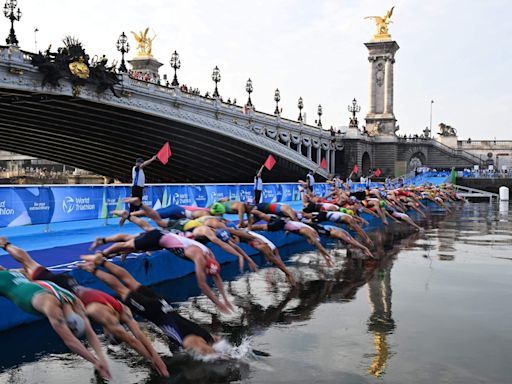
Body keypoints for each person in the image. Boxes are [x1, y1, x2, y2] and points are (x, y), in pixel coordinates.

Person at [0, 237, 169, 377]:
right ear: (111, 332)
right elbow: (132, 339)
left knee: (25, 266)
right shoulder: (97, 313)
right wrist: (152, 360)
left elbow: (137, 335)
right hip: (60, 290)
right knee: (27, 265)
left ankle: (6, 246)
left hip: (72, 285)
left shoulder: (120, 309)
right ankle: (5, 245)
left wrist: (154, 358)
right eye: (109, 335)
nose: (107, 333)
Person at [0, 242, 111, 379]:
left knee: (26, 262)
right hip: (37, 287)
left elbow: (89, 333)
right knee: (23, 265)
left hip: (45, 283)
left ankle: (5, 244)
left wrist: (100, 359)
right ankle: (5, 244)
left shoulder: (74, 301)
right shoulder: (57, 308)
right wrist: (97, 361)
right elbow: (71, 342)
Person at [79, 255, 223, 356]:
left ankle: (102, 262)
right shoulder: (191, 342)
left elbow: (218, 344)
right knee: (121, 289)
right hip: (154, 311)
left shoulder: (207, 337)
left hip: (163, 305)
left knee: (131, 281)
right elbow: (208, 352)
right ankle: (94, 269)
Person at [88, 230, 234, 313]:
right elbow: (202, 285)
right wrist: (218, 303)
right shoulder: (198, 255)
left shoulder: (209, 255)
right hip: (158, 238)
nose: (203, 269)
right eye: (204, 268)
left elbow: (217, 278)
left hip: (164, 242)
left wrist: (225, 299)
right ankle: (102, 252)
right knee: (127, 243)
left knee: (131, 245)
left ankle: (112, 248)